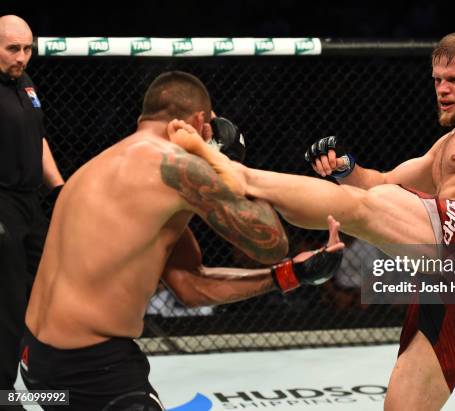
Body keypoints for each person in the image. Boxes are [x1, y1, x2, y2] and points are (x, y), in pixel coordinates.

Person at [172, 32, 455, 410]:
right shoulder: (447, 146)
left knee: (368, 206)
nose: (443, 90)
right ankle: (243, 179)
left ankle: (239, 175)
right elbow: (377, 182)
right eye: (437, 80)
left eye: (454, 80)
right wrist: (344, 168)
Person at [20, 71, 344, 410]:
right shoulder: (171, 165)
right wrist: (226, 162)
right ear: (201, 122)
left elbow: (191, 286)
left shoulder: (97, 170)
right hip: (94, 370)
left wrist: (289, 275)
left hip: (38, 367)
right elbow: (271, 243)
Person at [0, 15, 64, 400]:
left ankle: (48, 380)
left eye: (28, 49)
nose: (22, 57)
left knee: (50, 290)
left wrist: (59, 187)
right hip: (1, 202)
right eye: (13, 49)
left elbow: (37, 138)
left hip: (30, 204)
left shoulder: (24, 83)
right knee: (7, 303)